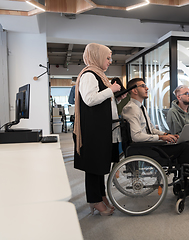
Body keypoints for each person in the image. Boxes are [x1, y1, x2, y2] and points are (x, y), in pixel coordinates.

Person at [73, 43, 127, 216]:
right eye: (107, 57)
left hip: (100, 128)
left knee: (100, 166)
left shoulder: (99, 75)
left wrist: (115, 97)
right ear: (97, 57)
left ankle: (100, 195)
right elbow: (89, 100)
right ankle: (94, 200)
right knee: (94, 166)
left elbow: (101, 102)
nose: (110, 61)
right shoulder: (89, 75)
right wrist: (111, 90)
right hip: (92, 130)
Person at [121, 78, 189, 167]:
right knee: (185, 147)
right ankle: (186, 178)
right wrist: (161, 137)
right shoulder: (131, 108)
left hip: (150, 145)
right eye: (143, 86)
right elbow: (136, 136)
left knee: (184, 144)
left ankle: (185, 176)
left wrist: (166, 134)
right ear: (134, 91)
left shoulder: (141, 108)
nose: (147, 88)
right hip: (144, 148)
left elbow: (151, 129)